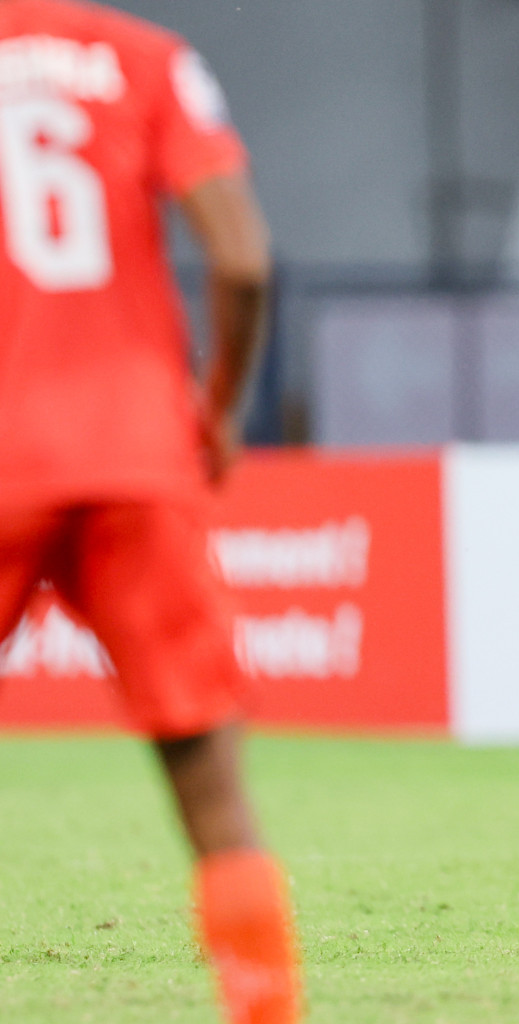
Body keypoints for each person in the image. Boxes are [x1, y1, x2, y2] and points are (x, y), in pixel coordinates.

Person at [0, 2, 301, 1021]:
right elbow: (245, 258)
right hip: (134, 445)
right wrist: (214, 411)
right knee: (212, 787)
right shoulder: (145, 61)